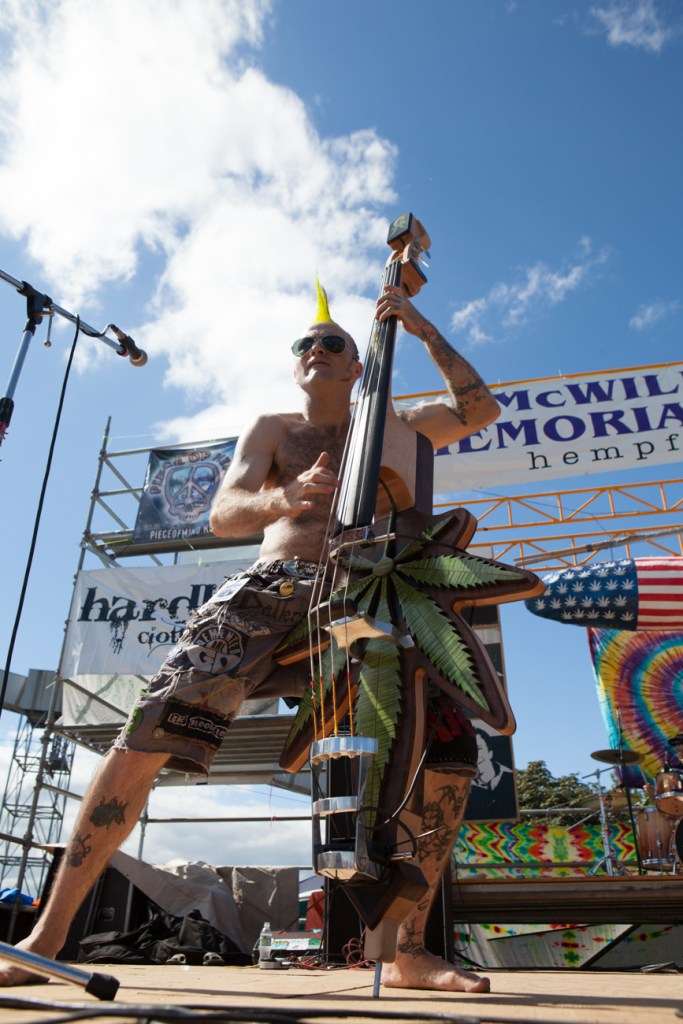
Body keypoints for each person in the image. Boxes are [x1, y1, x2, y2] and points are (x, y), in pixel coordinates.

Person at [0, 282, 500, 993]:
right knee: (144, 736)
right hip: (275, 589)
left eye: (333, 343)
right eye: (305, 345)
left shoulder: (397, 422)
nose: (317, 351)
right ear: (295, 365)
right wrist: (285, 497)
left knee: (445, 749)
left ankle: (407, 950)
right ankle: (45, 937)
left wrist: (417, 324)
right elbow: (227, 513)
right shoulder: (273, 427)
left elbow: (480, 408)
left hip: (378, 595)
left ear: (358, 365)